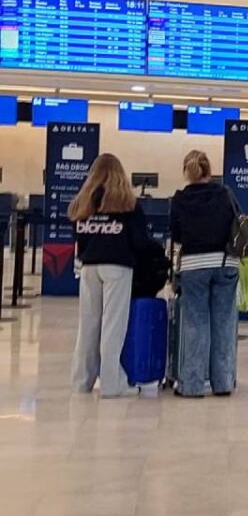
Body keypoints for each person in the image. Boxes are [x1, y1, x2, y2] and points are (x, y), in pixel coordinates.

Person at [69, 153, 148, 399]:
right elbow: (140, 240)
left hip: (89, 267)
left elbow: (79, 236)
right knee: (113, 327)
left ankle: (82, 382)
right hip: (118, 267)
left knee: (88, 327)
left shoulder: (83, 203)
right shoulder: (128, 203)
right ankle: (112, 384)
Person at [169, 150, 239, 398]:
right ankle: (223, 383)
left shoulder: (179, 199)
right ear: (209, 171)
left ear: (186, 173)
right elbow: (237, 222)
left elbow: (176, 235)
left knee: (196, 324)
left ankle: (192, 385)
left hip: (193, 265)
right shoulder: (225, 194)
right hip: (225, 262)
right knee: (224, 323)